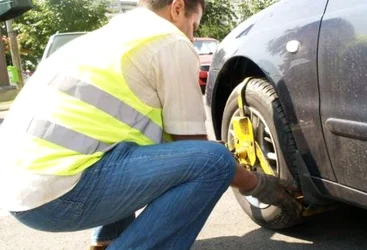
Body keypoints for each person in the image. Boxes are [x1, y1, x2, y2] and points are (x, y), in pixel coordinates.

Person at [0, 0, 300, 249]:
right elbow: (195, 153)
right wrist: (258, 185)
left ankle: (107, 240)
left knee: (133, 149)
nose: (192, 37)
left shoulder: (111, 36)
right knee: (215, 162)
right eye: (194, 26)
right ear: (178, 8)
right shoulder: (168, 42)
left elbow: (166, 150)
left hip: (20, 191)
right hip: (57, 197)